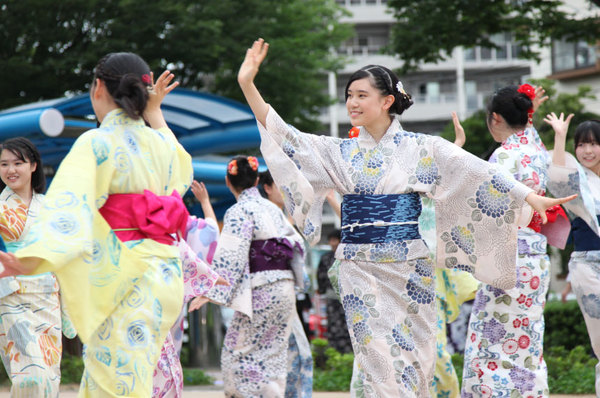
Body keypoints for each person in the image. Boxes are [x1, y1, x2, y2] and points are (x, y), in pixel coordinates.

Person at [236, 38, 575, 397]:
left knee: (417, 359)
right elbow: (286, 136)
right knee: (377, 361)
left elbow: (476, 173)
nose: (352, 102)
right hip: (359, 268)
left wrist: (527, 196)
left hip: (409, 266)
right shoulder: (339, 151)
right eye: (349, 94)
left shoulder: (421, 147)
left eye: (361, 95)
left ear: (386, 101)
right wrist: (247, 84)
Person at [0, 53, 195, 396]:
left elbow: (69, 210)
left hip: (124, 275)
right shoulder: (161, 143)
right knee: (114, 375)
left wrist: (30, 258)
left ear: (99, 88)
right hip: (165, 276)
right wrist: (155, 112)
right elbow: (182, 173)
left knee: (115, 381)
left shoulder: (98, 142)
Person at [460, 84, 570, 397]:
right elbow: (529, 131)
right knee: (527, 341)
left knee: (494, 345)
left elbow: (487, 212)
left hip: (506, 259)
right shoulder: (534, 150)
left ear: (495, 118)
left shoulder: (505, 155)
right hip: (535, 260)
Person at [202, 156, 306, 396]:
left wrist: (211, 292)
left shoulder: (238, 211)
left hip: (261, 290)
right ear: (257, 180)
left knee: (236, 352)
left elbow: (232, 257)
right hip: (285, 289)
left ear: (229, 182)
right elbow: (297, 245)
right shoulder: (273, 209)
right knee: (274, 353)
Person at [0, 137, 75, 396]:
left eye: (18, 163)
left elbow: (64, 255)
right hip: (11, 298)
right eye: (4, 164)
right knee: (30, 376)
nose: (11, 170)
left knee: (49, 377)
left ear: (33, 166)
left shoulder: (51, 207)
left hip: (48, 299)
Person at [544, 113, 600, 394]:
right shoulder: (578, 180)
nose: (587, 151)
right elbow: (556, 180)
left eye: (593, 144)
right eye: (581, 145)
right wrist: (560, 135)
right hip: (589, 264)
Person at [153, 180, 223, 398]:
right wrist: (204, 202)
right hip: (167, 292)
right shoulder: (173, 211)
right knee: (165, 356)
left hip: (133, 291)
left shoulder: (126, 204)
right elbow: (209, 230)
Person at [259, 169, 313, 398]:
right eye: (279, 185)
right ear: (267, 188)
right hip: (273, 294)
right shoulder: (268, 216)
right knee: (292, 357)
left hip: (278, 295)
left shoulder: (278, 217)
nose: (285, 190)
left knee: (296, 356)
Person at [317, 229, 353, 354]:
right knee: (333, 327)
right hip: (332, 298)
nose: (332, 243)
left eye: (335, 240)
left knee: (350, 326)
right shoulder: (325, 258)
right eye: (330, 240)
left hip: (349, 298)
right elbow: (320, 276)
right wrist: (322, 291)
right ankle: (335, 355)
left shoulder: (348, 256)